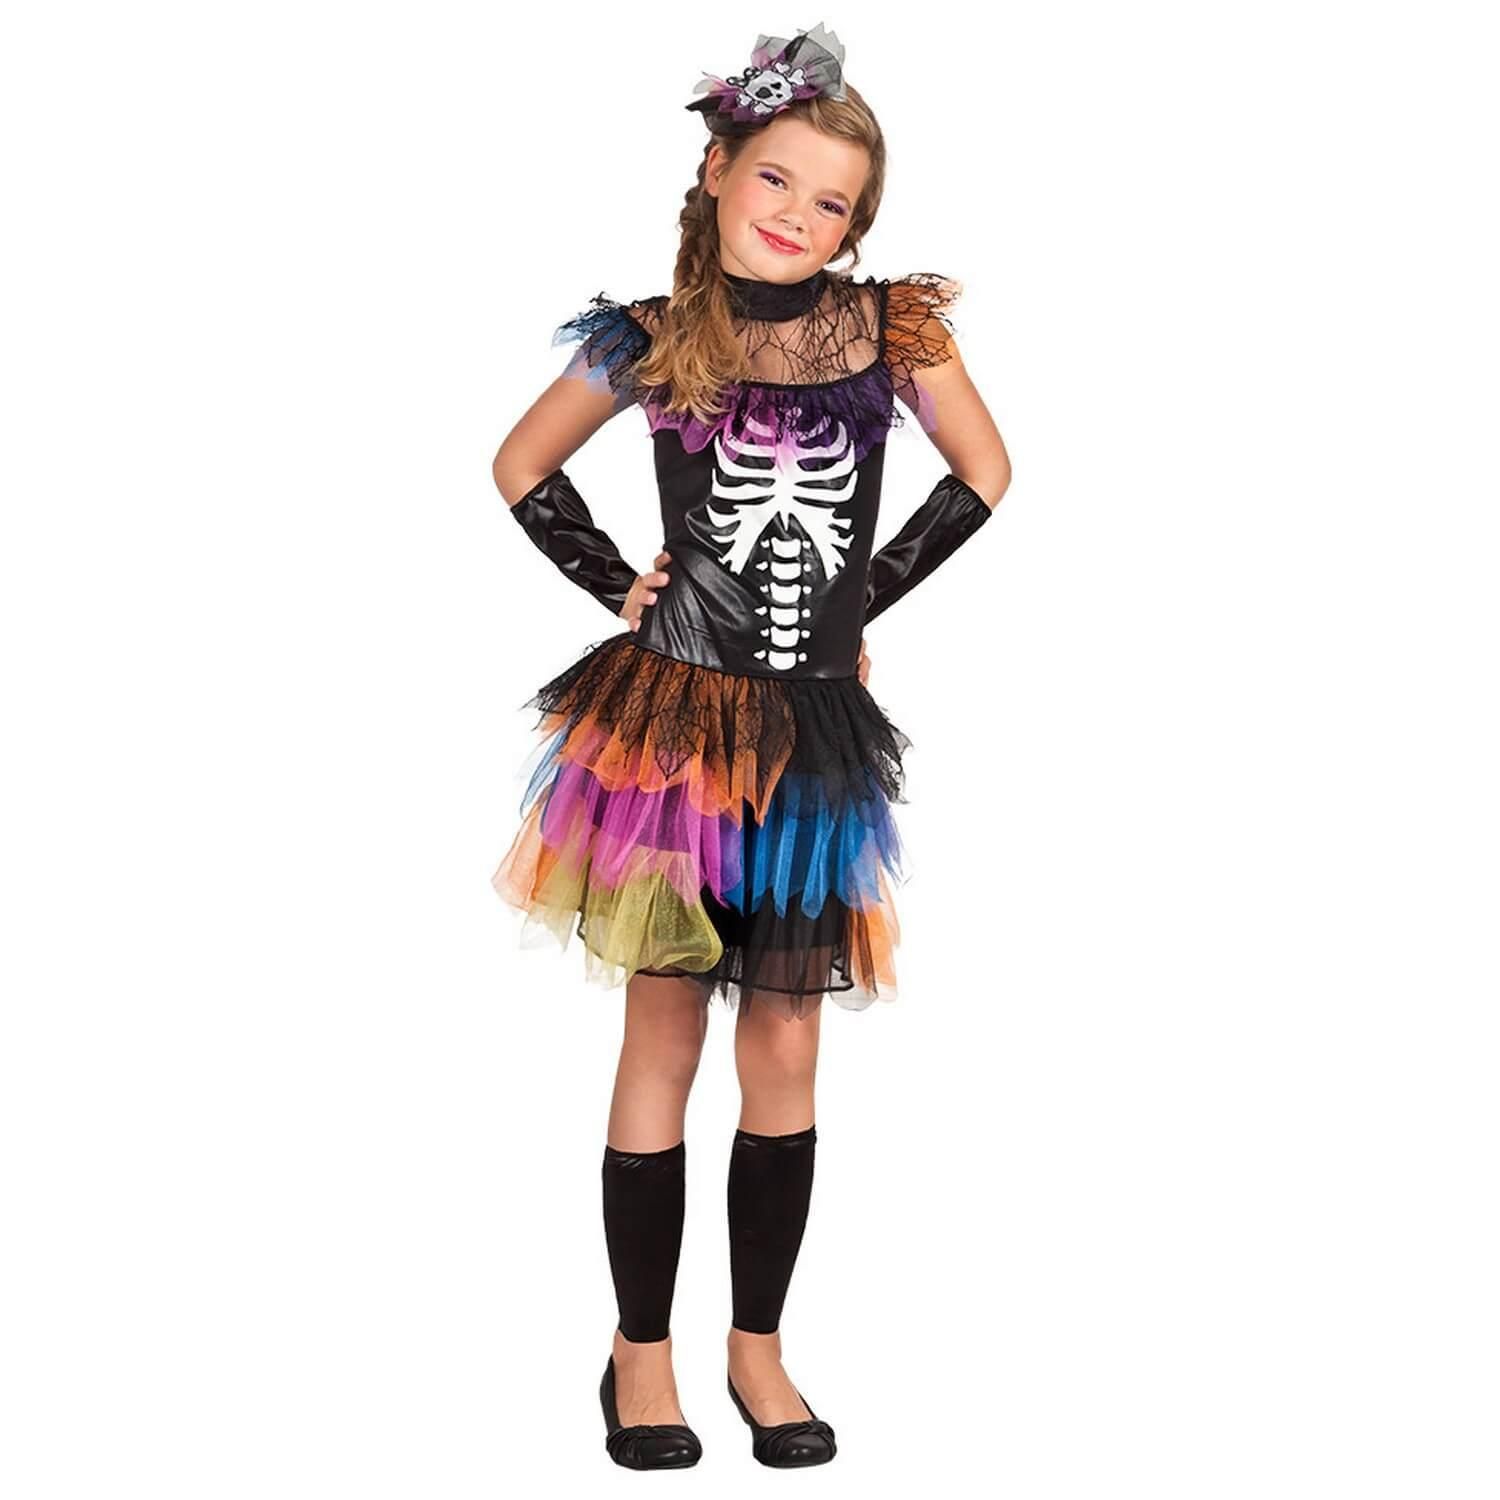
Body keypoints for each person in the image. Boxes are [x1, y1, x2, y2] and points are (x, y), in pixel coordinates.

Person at [490, 23, 1011, 1470]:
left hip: (812, 733)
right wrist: (620, 582)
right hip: (671, 730)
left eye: (832, 202)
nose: (797, 213)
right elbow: (520, 465)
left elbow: (985, 472)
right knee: (663, 1025)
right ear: (716, 168)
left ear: (858, 226)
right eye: (774, 177)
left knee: (784, 1034)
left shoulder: (893, 331)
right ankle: (637, 1355)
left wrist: (855, 604)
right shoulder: (650, 337)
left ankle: (758, 1350)